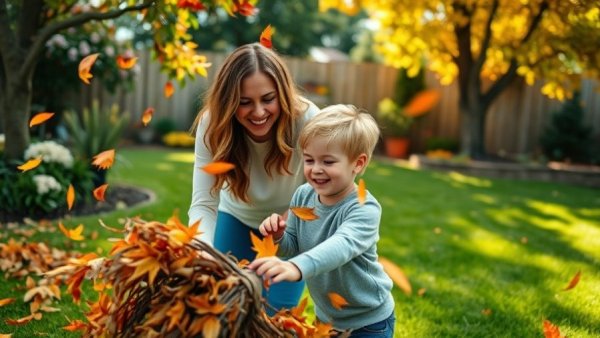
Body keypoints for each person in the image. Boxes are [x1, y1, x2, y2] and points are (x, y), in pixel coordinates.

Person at [188, 43, 320, 312]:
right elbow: (204, 204)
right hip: (235, 217)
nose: (258, 112)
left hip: (289, 231)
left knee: (274, 317)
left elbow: (323, 194)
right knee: (221, 308)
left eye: (268, 99)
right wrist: (202, 251)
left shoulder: (308, 120)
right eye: (244, 102)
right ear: (228, 103)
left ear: (282, 94)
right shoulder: (212, 125)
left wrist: (289, 223)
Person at [248, 104, 396, 337]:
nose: (316, 169)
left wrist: (297, 267)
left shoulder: (364, 208)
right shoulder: (303, 195)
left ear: (358, 163)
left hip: (368, 321)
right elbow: (293, 246)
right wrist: (277, 237)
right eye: (309, 160)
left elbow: (341, 246)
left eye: (328, 162)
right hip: (326, 318)